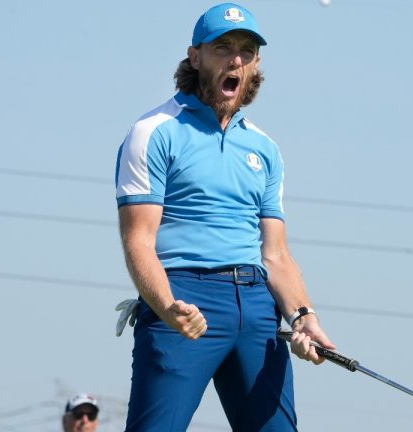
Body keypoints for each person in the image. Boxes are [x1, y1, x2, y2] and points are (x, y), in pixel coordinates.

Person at [114, 3, 334, 431]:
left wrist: (305, 318)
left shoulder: (265, 148)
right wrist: (166, 306)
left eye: (247, 51)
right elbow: (138, 243)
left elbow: (277, 256)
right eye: (223, 47)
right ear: (195, 57)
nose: (236, 59)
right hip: (182, 296)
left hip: (255, 306)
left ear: (256, 64)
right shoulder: (154, 131)